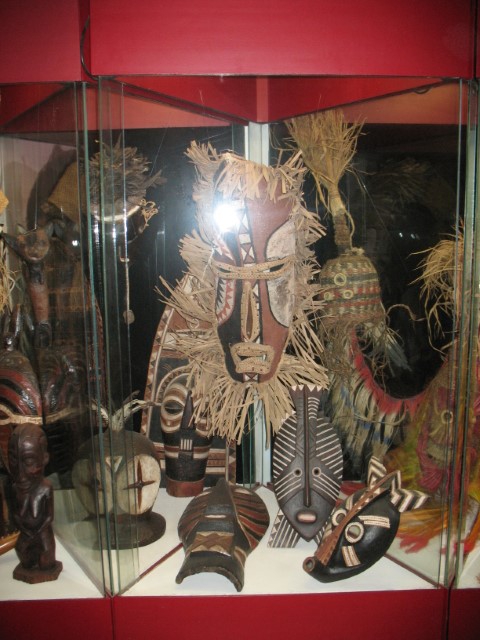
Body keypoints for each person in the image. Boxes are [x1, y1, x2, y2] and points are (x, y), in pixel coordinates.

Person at [8, 423, 62, 583]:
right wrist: (25, 530)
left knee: (47, 562)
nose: (20, 471)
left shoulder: (45, 487)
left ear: (44, 458)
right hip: (26, 533)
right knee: (25, 558)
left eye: (29, 461)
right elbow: (15, 513)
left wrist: (37, 531)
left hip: (42, 532)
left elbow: (49, 516)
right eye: (13, 459)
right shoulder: (15, 488)